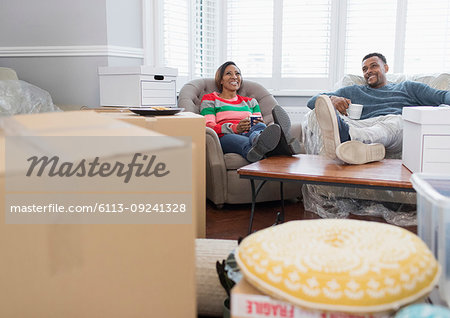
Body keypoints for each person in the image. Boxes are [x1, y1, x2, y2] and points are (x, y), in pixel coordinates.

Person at [307, 52, 450, 164]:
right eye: (365, 69)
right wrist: (332, 99)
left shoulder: (408, 87)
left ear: (385, 68)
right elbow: (313, 102)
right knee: (333, 116)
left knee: (398, 121)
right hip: (362, 125)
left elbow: (442, 97)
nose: (368, 71)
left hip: (393, 127)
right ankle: (359, 145)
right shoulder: (354, 91)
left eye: (373, 66)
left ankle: (349, 137)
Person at [200, 61, 300, 162]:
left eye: (237, 73)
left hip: (252, 133)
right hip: (226, 136)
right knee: (248, 144)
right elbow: (209, 126)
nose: (234, 77)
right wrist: (235, 128)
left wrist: (260, 123)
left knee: (259, 127)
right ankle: (281, 146)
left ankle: (260, 140)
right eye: (228, 73)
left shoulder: (250, 101)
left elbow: (258, 123)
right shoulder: (210, 99)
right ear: (220, 80)